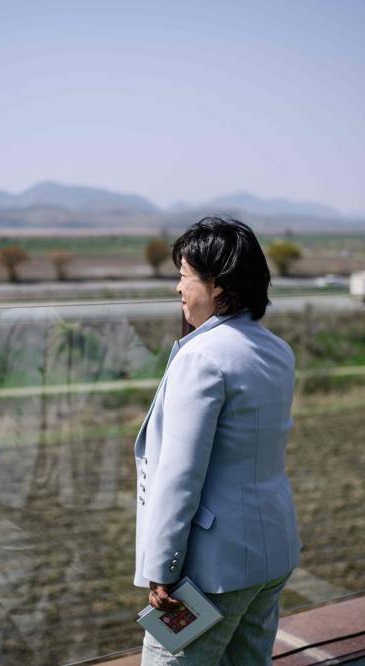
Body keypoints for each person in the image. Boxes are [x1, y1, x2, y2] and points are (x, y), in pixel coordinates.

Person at [134, 217, 302, 664]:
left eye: (185, 276)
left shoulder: (202, 357)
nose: (178, 289)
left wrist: (162, 570)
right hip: (271, 555)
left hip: (213, 571)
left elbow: (179, 475)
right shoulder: (276, 349)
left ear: (219, 287)